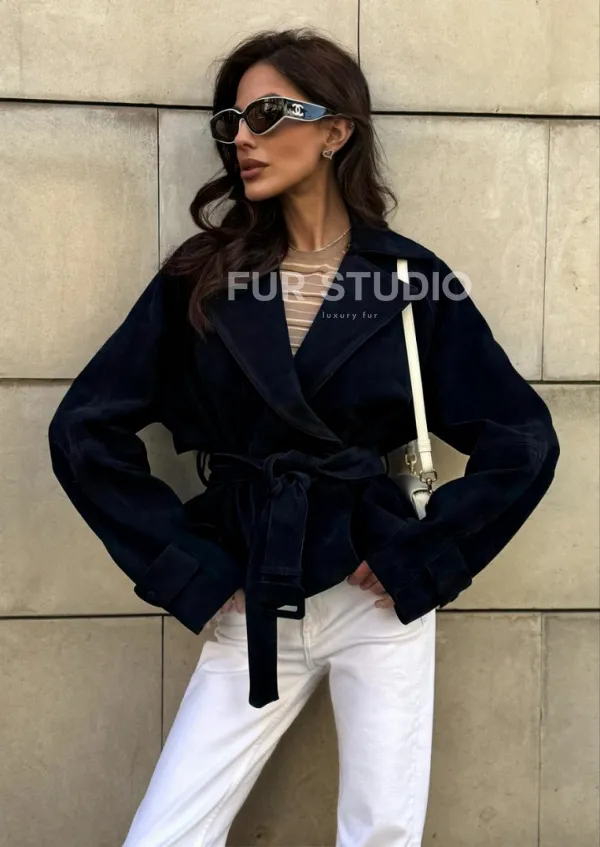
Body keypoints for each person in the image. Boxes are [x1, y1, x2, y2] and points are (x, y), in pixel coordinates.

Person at [47, 27, 560, 847]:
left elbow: (523, 437)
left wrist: (422, 557)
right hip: (254, 584)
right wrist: (190, 568)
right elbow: (84, 428)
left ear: (335, 130)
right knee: (166, 834)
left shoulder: (407, 279)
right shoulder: (203, 276)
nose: (243, 139)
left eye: (269, 115)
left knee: (381, 832)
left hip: (375, 593)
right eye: (232, 122)